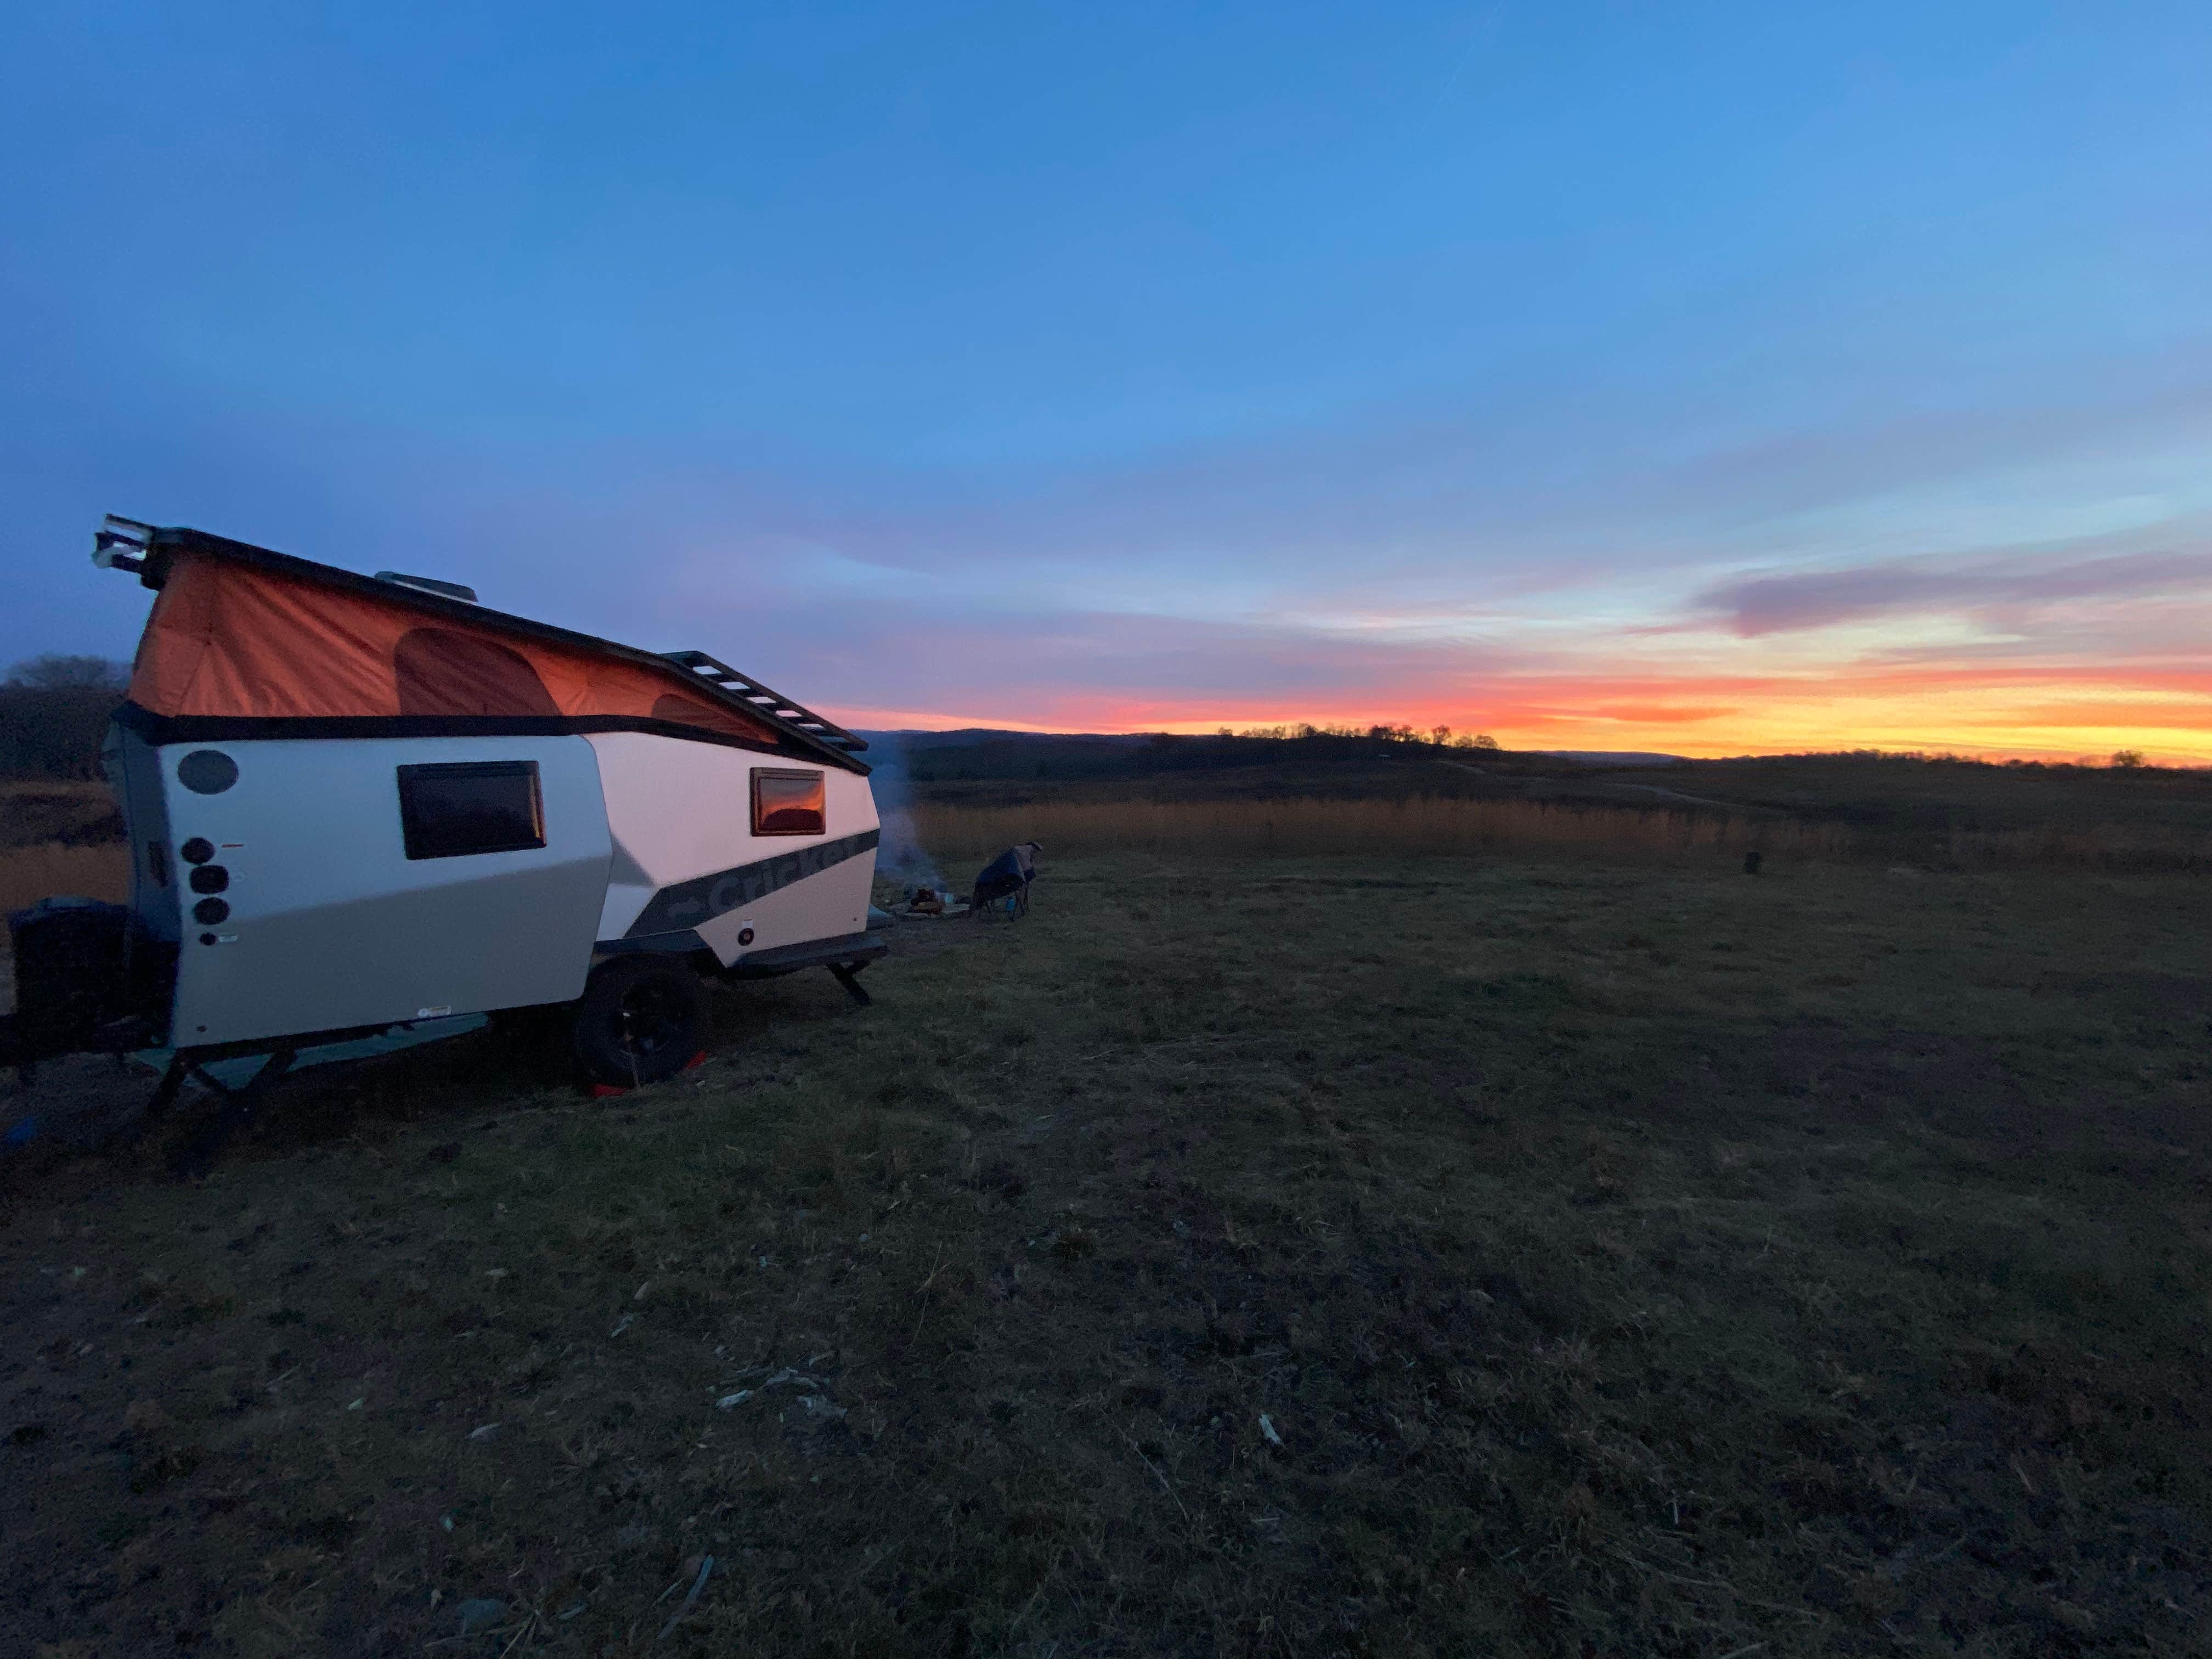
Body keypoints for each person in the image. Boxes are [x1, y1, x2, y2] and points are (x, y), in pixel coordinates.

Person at [971, 842, 1042, 917]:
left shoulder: (1018, 852)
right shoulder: (1024, 853)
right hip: (1008, 879)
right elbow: (1026, 868)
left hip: (993, 879)